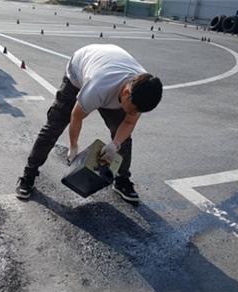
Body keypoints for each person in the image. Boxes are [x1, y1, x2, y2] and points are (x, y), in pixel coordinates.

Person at [15, 44, 163, 202]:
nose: (133, 114)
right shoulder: (98, 87)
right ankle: (28, 175)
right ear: (126, 93)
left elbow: (129, 123)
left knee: (124, 139)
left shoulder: (143, 90)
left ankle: (122, 180)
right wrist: (73, 146)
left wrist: (115, 144)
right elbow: (76, 116)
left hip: (109, 67)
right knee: (54, 126)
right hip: (79, 70)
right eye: (132, 110)